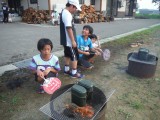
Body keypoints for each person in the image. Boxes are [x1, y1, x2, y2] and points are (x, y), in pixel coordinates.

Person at [60, 0, 84, 78]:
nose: (75, 10)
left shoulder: (64, 12)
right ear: (71, 6)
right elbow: (69, 28)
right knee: (74, 56)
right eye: (75, 8)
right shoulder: (67, 14)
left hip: (65, 40)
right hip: (69, 41)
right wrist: (73, 41)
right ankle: (74, 72)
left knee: (67, 55)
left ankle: (66, 70)